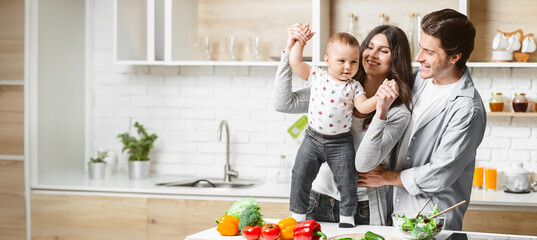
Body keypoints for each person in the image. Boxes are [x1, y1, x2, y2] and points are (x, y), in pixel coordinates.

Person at [357, 9, 486, 231]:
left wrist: (386, 177)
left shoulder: (467, 108)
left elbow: (441, 172)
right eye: (420, 48)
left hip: (430, 216)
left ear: (454, 57)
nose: (418, 58)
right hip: (392, 210)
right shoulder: (418, 80)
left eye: (429, 52)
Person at [274, 23, 413, 226]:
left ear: (396, 60)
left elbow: (364, 163)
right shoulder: (331, 85)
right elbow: (283, 103)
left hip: (362, 208)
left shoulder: (397, 112)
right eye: (370, 47)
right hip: (316, 201)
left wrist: (381, 108)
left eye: (383, 51)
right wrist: (291, 47)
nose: (373, 54)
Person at [286, 25, 381, 227]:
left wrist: (379, 98)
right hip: (312, 139)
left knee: (347, 180)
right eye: (341, 61)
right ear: (327, 60)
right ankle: (298, 214)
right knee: (300, 174)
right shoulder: (318, 76)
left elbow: (363, 106)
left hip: (340, 143)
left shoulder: (354, 86)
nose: (348, 67)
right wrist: (299, 43)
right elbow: (295, 62)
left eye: (353, 62)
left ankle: (347, 217)